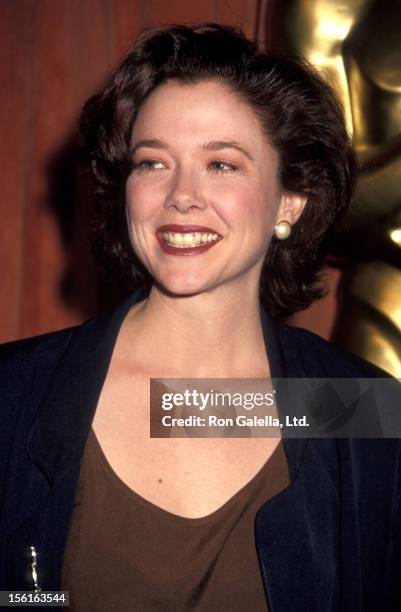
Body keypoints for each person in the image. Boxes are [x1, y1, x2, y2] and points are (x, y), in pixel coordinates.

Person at [0, 23, 400, 612]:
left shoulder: (362, 409)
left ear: (290, 199)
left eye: (222, 165)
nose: (180, 195)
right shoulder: (14, 394)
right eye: (152, 163)